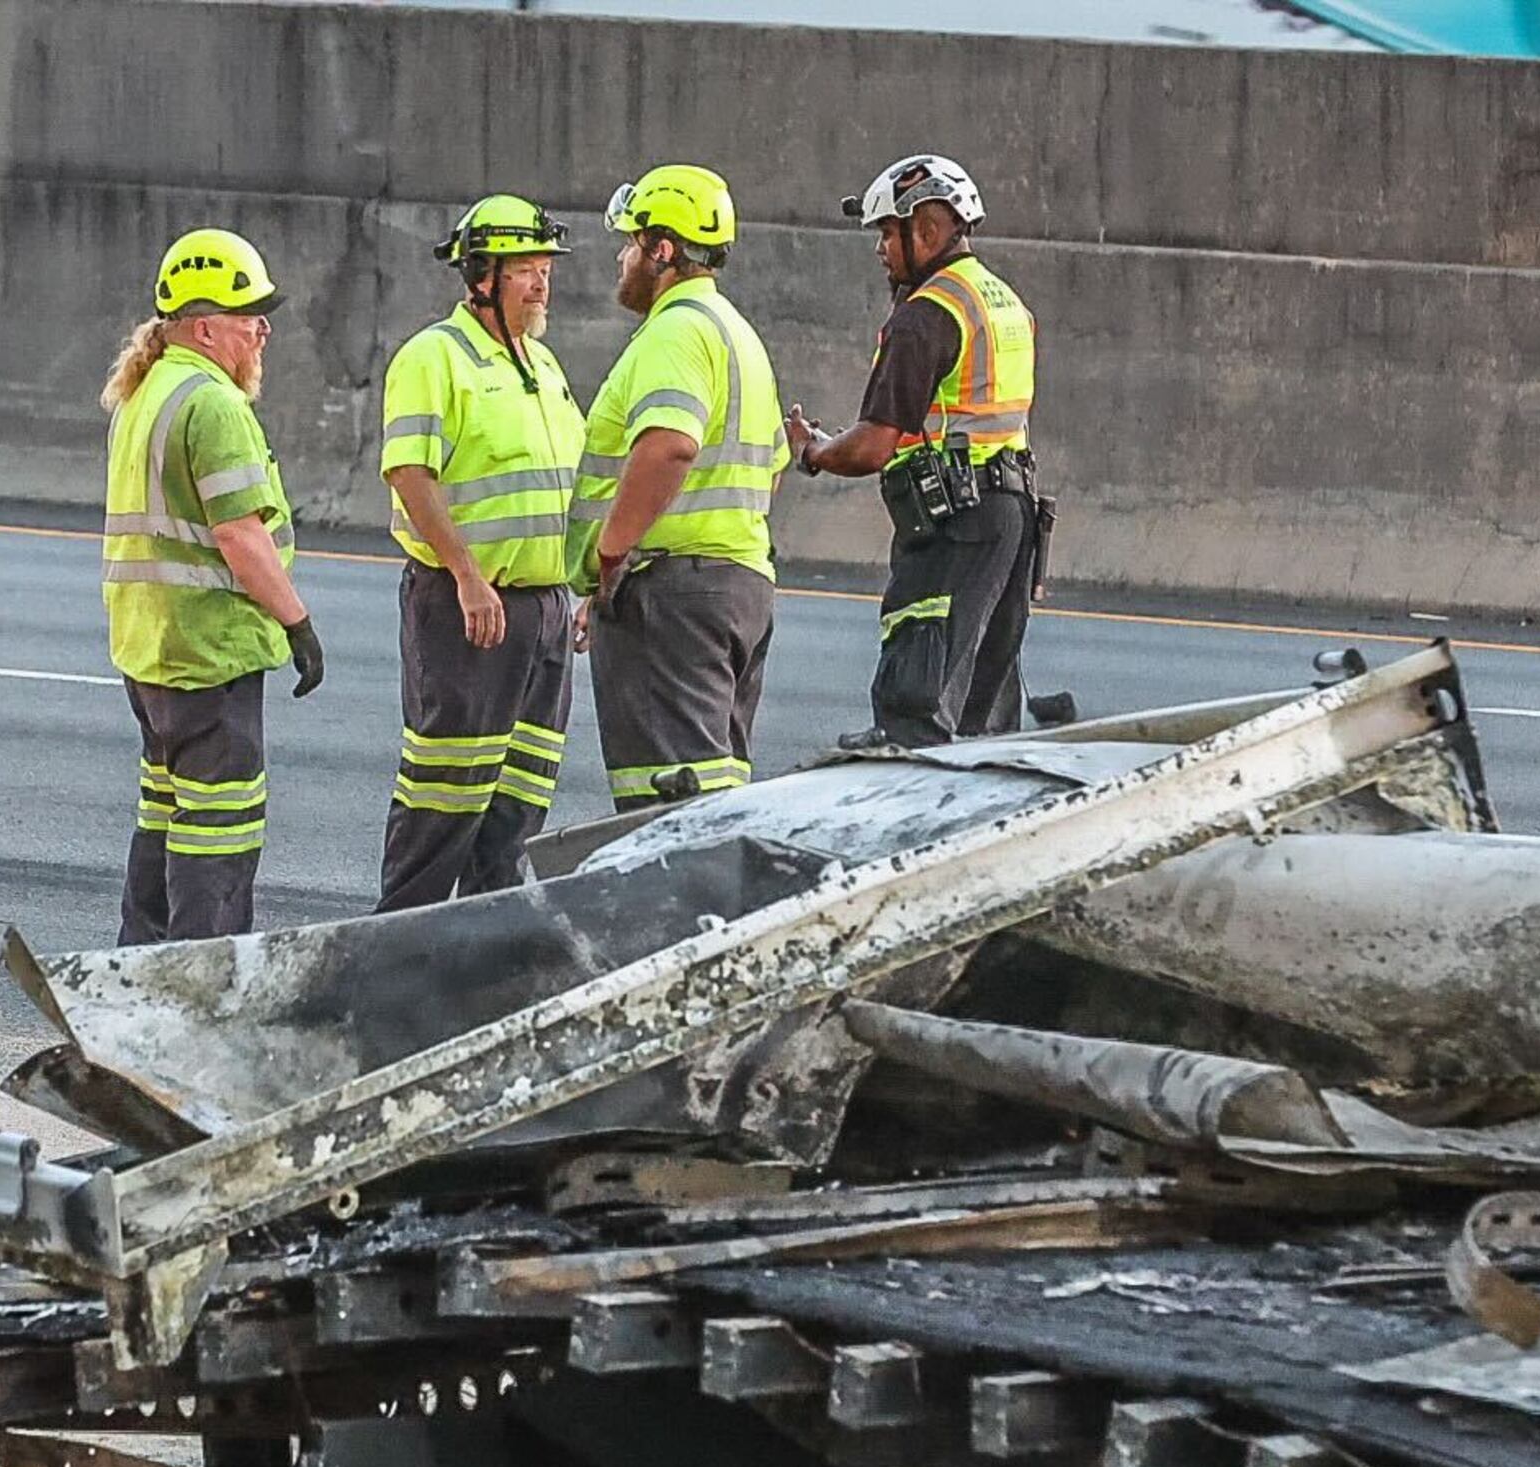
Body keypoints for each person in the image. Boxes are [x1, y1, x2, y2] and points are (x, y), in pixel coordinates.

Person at [98, 228, 323, 944]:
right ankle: (202, 975)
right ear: (204, 327)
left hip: (153, 647)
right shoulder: (214, 405)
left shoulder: (144, 394)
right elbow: (240, 535)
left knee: (164, 816)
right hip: (209, 648)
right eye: (250, 315)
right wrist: (297, 622)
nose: (262, 331)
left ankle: (139, 966)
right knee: (218, 834)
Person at [372, 197, 585, 912]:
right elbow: (410, 473)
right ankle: (403, 946)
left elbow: (571, 482)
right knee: (444, 801)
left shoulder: (544, 364)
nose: (541, 283)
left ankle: (486, 942)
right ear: (482, 276)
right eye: (525, 269)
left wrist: (585, 585)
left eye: (545, 267)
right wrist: (466, 576)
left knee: (518, 805)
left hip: (544, 611)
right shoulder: (433, 357)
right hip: (469, 608)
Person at [785, 153, 1041, 749]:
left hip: (956, 521)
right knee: (981, 710)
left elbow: (873, 446)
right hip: (1010, 515)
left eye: (886, 232)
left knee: (917, 695)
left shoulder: (924, 317)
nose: (881, 249)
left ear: (925, 228)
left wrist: (815, 451)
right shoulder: (1003, 300)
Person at [568, 165, 783, 811]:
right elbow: (771, 465)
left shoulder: (675, 331)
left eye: (631, 243)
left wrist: (611, 557)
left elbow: (670, 445)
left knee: (665, 805)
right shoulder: (737, 333)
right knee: (714, 795)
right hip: (737, 584)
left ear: (661, 249)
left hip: (673, 594)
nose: (622, 258)